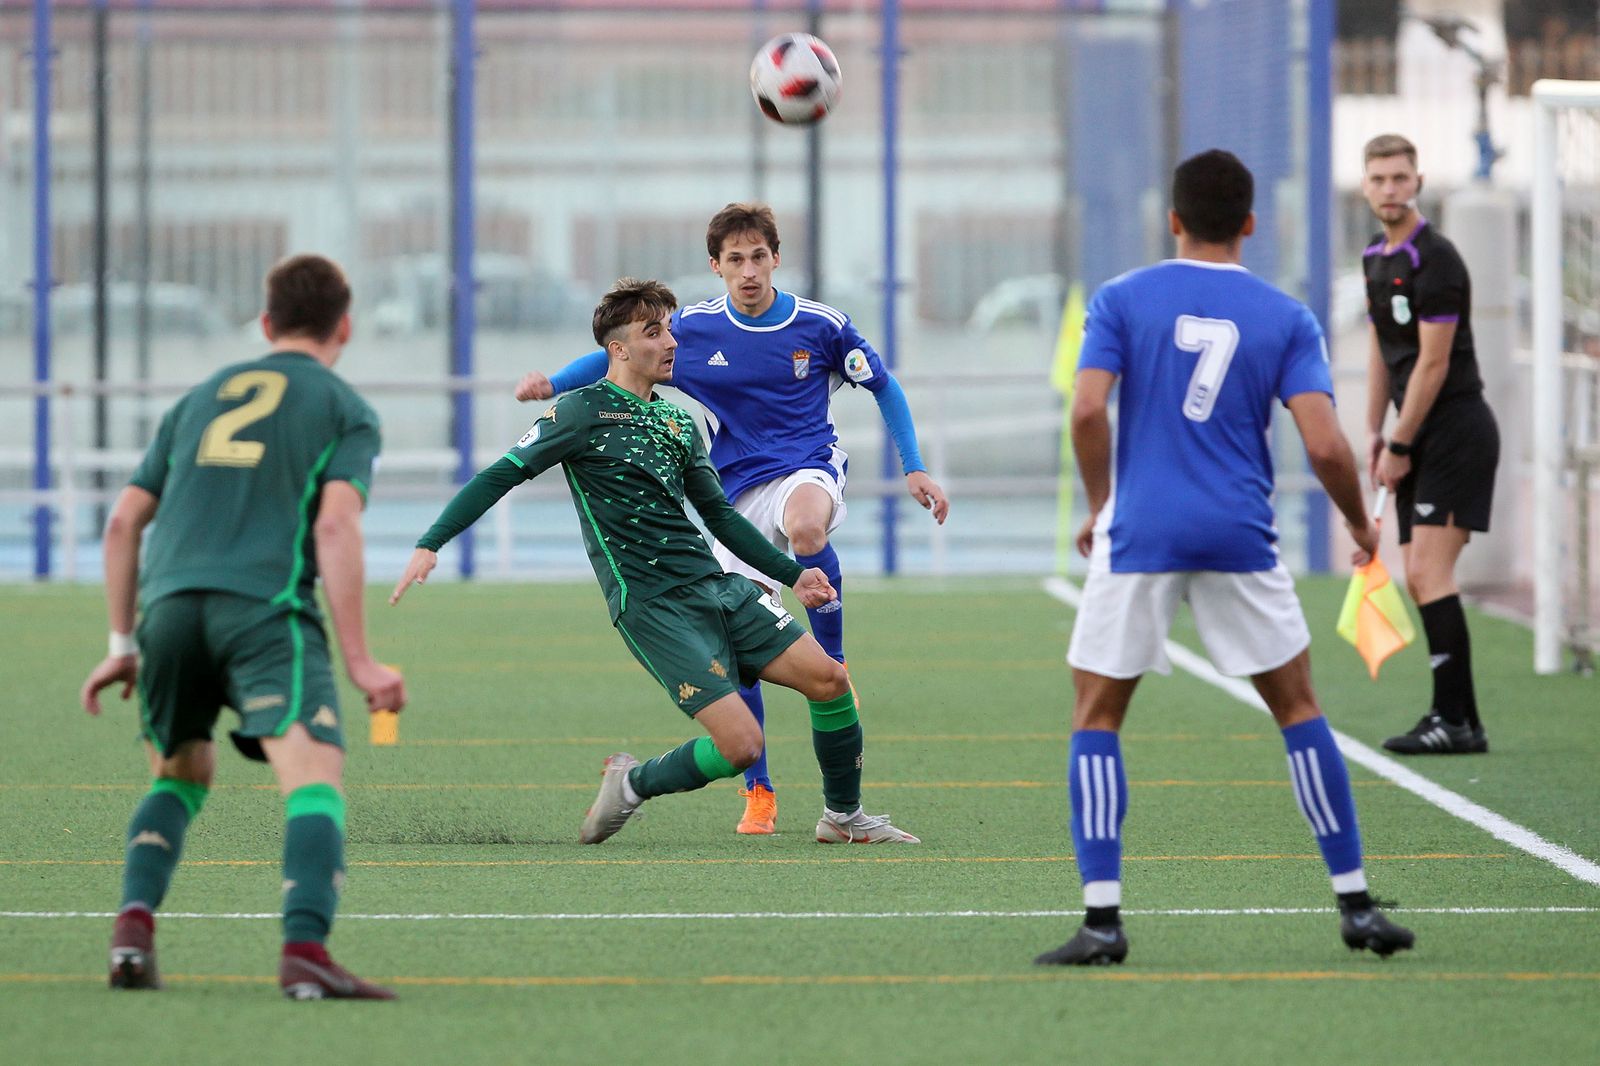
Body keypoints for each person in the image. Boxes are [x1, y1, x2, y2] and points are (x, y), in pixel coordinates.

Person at [1034, 150, 1415, 966]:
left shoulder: (1121, 298)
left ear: (1172, 219)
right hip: (1240, 533)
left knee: (1097, 716)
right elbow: (1326, 445)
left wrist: (1102, 506)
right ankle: (1355, 905)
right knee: (1299, 707)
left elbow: (1088, 412)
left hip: (1141, 533)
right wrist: (1359, 524)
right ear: (1250, 224)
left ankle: (1102, 921)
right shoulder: (1287, 317)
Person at [392, 277, 919, 847]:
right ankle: (632, 783)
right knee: (742, 746)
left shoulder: (677, 423)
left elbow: (720, 518)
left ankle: (843, 817)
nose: (671, 342)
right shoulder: (580, 412)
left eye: (669, 329)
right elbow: (500, 475)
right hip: (652, 604)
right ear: (618, 349)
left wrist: (794, 575)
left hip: (716, 586)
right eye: (654, 332)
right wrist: (431, 542)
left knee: (831, 681)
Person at [514, 203, 949, 836]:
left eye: (759, 257)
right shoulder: (689, 330)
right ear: (715, 266)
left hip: (807, 466)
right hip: (735, 495)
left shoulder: (820, 325)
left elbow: (883, 384)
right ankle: (759, 792)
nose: (749, 271)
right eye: (735, 260)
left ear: (777, 259)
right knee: (738, 649)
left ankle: (834, 657)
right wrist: (553, 384)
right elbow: (614, 356)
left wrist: (914, 466)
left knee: (807, 529)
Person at [79, 254, 407, 999]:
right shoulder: (345, 407)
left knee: (180, 772)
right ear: (344, 327)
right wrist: (361, 661)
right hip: (264, 610)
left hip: (167, 611)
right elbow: (335, 526)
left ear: (265, 324)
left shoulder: (198, 399)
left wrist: (121, 645)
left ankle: (132, 931)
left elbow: (123, 522)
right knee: (313, 779)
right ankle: (305, 953)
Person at [1360, 133, 1499, 755]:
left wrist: (1400, 442)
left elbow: (1434, 364)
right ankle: (1462, 721)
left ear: (1417, 181)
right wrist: (1374, 432)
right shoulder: (1374, 257)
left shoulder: (1435, 259)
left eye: (1400, 177)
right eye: (1379, 179)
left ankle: (1452, 720)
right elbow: (1381, 349)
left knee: (1426, 572)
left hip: (1454, 432)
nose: (1390, 189)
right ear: (1365, 187)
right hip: (1414, 435)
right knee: (1420, 579)